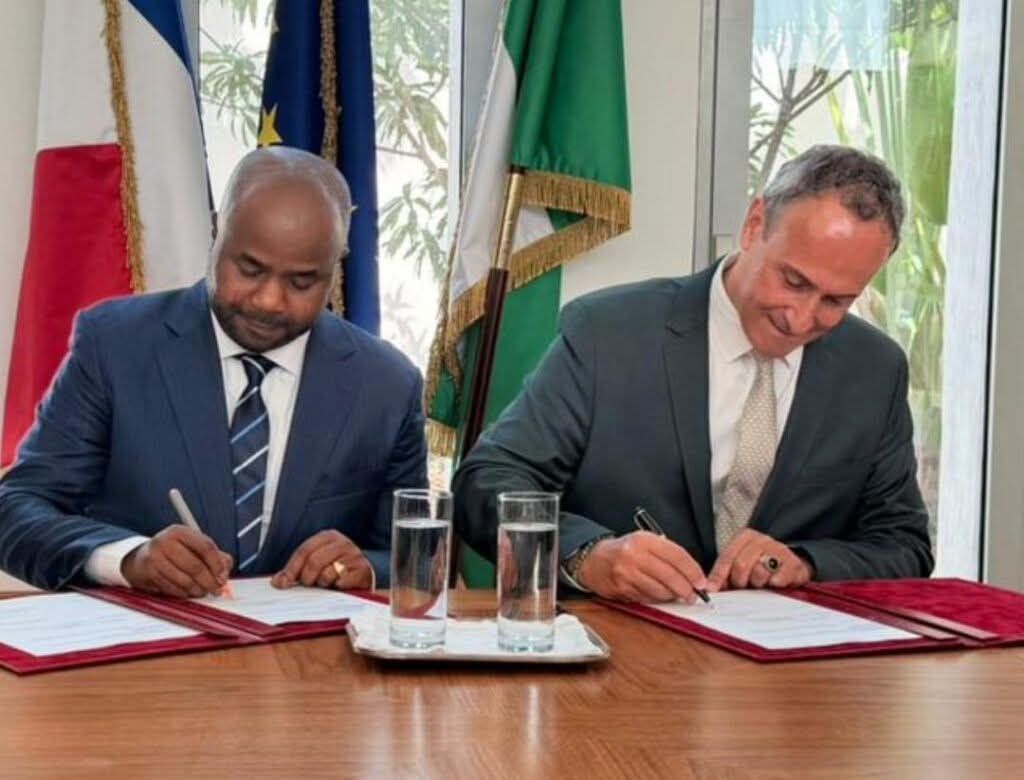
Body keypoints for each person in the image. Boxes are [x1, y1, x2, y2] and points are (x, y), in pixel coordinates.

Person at [454, 145, 933, 604]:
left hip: (787, 655)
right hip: (622, 646)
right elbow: (485, 482)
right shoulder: (608, 333)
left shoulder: (875, 369)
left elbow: (904, 544)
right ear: (754, 225)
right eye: (793, 281)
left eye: (837, 301)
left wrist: (807, 562)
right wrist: (588, 555)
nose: (801, 319)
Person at [0, 146, 426, 596]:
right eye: (249, 269)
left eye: (301, 281)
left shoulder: (387, 386)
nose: (269, 300)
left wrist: (367, 568)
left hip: (312, 642)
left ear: (336, 266)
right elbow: (16, 509)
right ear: (216, 230)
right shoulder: (115, 346)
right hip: (143, 636)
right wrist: (127, 558)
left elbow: (417, 555)